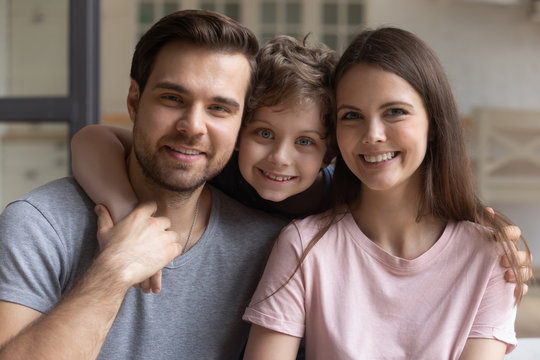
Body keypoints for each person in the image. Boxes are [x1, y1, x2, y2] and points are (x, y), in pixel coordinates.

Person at [0, 10, 287, 359]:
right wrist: (114, 270)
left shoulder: (270, 248)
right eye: (173, 99)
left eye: (219, 108)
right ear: (135, 101)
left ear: (242, 126)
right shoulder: (40, 225)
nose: (193, 126)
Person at [242, 27, 532, 359]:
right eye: (351, 116)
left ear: (434, 123)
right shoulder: (303, 246)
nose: (373, 134)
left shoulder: (490, 257)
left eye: (395, 111)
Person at [70, 35, 338, 294]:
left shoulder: (344, 194)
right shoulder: (216, 164)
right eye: (264, 134)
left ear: (330, 153)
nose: (280, 157)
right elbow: (91, 138)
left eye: (304, 141)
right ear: (237, 132)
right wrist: (129, 215)